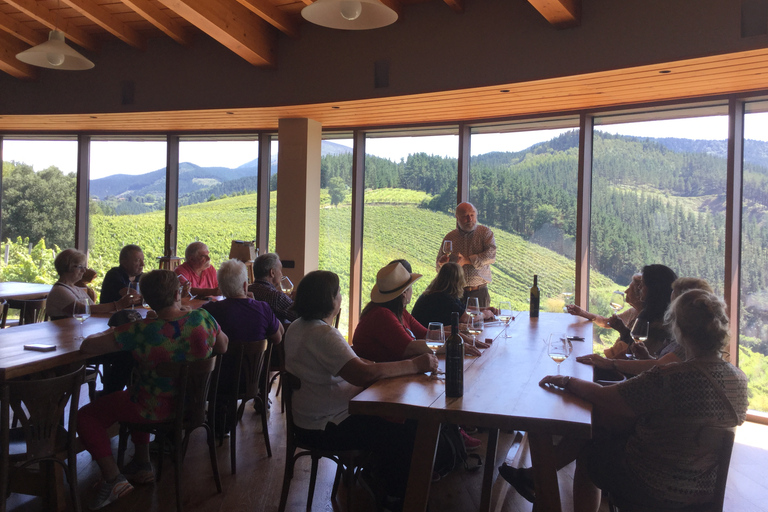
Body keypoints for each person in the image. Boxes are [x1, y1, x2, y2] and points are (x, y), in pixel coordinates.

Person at [502, 289, 747, 512]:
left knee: (589, 449)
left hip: (651, 482)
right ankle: (536, 477)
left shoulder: (672, 378)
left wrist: (567, 381)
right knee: (605, 426)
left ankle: (539, 478)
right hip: (702, 487)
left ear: (679, 331)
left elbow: (605, 397)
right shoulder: (739, 380)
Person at [284, 269, 436, 507]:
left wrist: (379, 366)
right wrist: (415, 365)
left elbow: (354, 361)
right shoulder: (324, 334)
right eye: (338, 293)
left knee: (399, 422)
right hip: (328, 427)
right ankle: (396, 496)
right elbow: (363, 374)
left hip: (306, 421)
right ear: (330, 300)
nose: (341, 297)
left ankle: (379, 479)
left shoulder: (297, 327)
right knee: (407, 427)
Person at [78, 269, 228, 510]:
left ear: (146, 299)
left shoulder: (140, 331)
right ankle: (142, 463)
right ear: (178, 292)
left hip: (151, 408)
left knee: (87, 415)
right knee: (137, 394)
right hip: (192, 406)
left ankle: (113, 478)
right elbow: (222, 346)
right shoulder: (202, 318)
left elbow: (87, 347)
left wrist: (115, 329)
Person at [202, 259, 284, 431]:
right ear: (246, 285)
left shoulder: (210, 311)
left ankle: (219, 427)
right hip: (254, 381)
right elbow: (278, 338)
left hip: (219, 383)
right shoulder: (262, 308)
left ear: (221, 287)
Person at [577, 277, 714, 376]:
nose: (671, 309)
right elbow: (661, 365)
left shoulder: (686, 343)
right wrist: (646, 356)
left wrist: (610, 363)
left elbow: (660, 368)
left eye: (674, 305)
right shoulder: (685, 338)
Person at [353, 262, 483, 363]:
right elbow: (411, 347)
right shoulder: (382, 315)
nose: (412, 291)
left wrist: (460, 337)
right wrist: (455, 346)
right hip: (375, 387)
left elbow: (426, 334)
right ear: (404, 293)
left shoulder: (399, 312)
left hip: (388, 377)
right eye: (410, 287)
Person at [605, 263, 678, 358]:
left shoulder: (663, 323)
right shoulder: (648, 313)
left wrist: (609, 363)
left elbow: (640, 354)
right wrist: (623, 330)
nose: (639, 288)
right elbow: (635, 347)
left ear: (654, 289)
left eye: (643, 284)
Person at [46, 248, 136, 319]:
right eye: (80, 267)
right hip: (66, 335)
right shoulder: (59, 291)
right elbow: (82, 310)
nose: (84, 270)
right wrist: (119, 304)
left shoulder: (75, 289)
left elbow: (94, 309)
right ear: (68, 267)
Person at [436, 202, 496, 307]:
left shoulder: (485, 233)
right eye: (465, 216)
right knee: (457, 323)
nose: (470, 219)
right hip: (456, 293)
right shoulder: (450, 237)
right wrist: (442, 265)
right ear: (457, 217)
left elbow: (491, 255)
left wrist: (467, 260)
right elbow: (439, 268)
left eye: (472, 215)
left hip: (479, 292)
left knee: (480, 323)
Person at [412, 262, 497, 328]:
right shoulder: (442, 298)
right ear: (458, 281)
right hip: (427, 339)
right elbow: (465, 318)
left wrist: (484, 309)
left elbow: (463, 309)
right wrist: (484, 314)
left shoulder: (438, 293)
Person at [248, 252, 297, 323]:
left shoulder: (247, 291)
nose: (282, 274)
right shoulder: (276, 297)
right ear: (272, 273)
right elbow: (300, 316)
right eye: (280, 270)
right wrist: (298, 300)